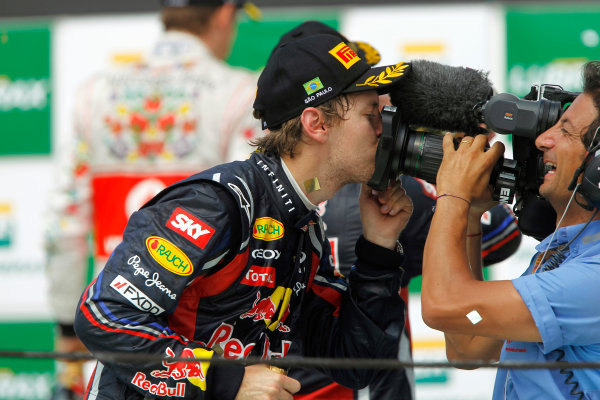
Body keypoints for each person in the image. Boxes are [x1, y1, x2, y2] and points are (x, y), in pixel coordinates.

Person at [74, 33, 415, 399]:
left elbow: (356, 358)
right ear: (316, 124)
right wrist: (225, 380)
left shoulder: (302, 226)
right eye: (371, 116)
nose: (384, 132)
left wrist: (379, 248)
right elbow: (104, 314)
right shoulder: (219, 204)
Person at [267, 21, 521, 400]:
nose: (384, 115)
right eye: (371, 106)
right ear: (320, 119)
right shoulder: (404, 196)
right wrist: (456, 169)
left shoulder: (259, 199)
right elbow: (503, 234)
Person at [45, 1, 261, 398]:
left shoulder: (94, 93)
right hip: (203, 345)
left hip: (113, 325)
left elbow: (65, 224)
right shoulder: (241, 93)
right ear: (225, 14)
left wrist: (65, 326)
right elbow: (250, 213)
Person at [421, 60, 600, 399]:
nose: (543, 140)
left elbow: (442, 305)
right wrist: (471, 214)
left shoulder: (594, 274)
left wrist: (452, 194)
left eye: (565, 130)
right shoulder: (569, 249)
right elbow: (469, 345)